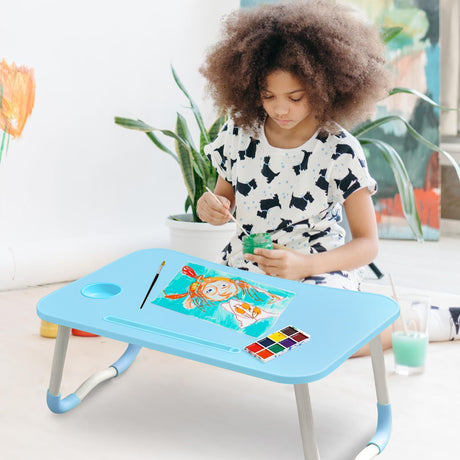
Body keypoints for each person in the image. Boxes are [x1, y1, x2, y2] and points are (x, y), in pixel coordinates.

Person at [196, 0, 460, 351]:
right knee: (210, 324)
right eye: (268, 95)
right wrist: (210, 208)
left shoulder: (339, 150)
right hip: (249, 265)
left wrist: (304, 264)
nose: (279, 108)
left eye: (294, 96)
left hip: (318, 267)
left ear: (323, 89)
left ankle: (426, 321)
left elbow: (368, 244)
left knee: (312, 341)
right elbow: (224, 198)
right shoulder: (239, 133)